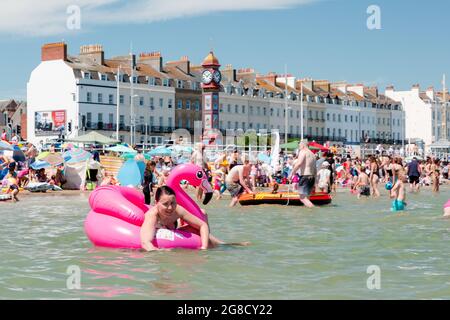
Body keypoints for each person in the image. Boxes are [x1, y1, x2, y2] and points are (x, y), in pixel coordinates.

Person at [140, 186, 247, 251]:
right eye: (165, 204)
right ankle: (227, 245)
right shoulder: (152, 216)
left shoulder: (177, 210)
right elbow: (145, 243)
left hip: (174, 230)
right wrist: (159, 252)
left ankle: (227, 245)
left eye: (173, 203)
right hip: (162, 233)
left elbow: (202, 225)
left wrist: (204, 248)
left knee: (201, 220)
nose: (170, 207)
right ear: (156, 203)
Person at [288, 140, 317, 208]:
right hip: (311, 177)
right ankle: (308, 216)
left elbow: (299, 163)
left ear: (303, 145)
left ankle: (314, 210)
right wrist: (315, 181)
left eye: (299, 146)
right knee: (307, 197)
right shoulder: (312, 154)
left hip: (305, 176)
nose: (299, 147)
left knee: (302, 198)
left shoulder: (303, 151)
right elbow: (315, 169)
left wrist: (291, 174)